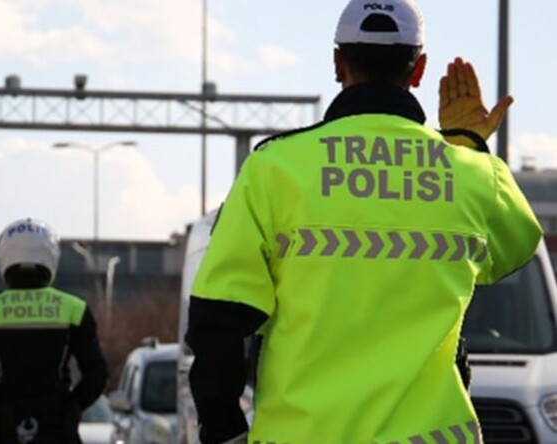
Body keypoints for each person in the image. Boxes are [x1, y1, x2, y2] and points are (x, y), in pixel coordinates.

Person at [184, 1, 542, 443]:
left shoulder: (274, 168)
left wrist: (224, 432)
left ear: (338, 63)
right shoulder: (470, 174)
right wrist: (466, 145)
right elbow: (517, 248)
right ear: (419, 70)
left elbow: (217, 321)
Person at [0, 217, 108, 444]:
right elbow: (97, 375)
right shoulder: (74, 309)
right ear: (51, 257)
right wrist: (72, 407)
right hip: (57, 432)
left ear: (4, 257)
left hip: (3, 432)